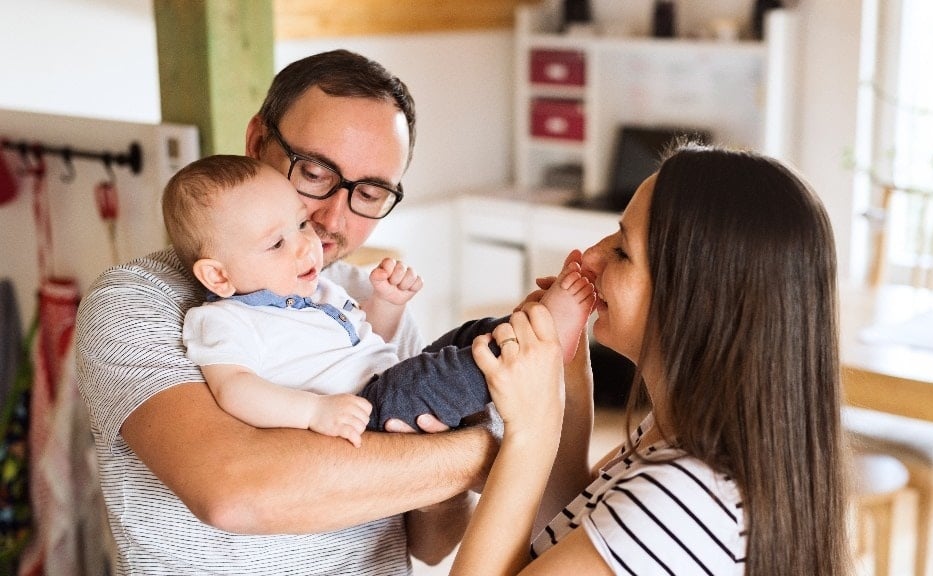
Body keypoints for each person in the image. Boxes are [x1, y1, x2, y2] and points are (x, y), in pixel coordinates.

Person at [74, 49, 499, 575]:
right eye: (316, 172)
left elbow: (430, 543)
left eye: (369, 192)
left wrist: (437, 472)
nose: (330, 218)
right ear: (257, 143)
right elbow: (235, 493)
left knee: (487, 343)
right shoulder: (139, 302)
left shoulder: (355, 301)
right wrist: (486, 454)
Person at [449, 143, 853, 575]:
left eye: (622, 251)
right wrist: (566, 376)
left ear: (697, 301)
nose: (589, 258)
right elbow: (566, 530)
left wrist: (531, 430)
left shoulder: (686, 495)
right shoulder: (683, 435)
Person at [164, 154, 594, 444]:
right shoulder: (224, 320)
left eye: (299, 224)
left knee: (463, 340)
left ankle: (532, 330)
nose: (305, 245)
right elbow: (235, 390)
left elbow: (372, 340)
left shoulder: (318, 287)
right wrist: (314, 412)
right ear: (218, 275)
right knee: (445, 373)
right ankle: (543, 335)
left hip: (390, 377)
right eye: (276, 244)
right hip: (367, 412)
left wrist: (386, 303)